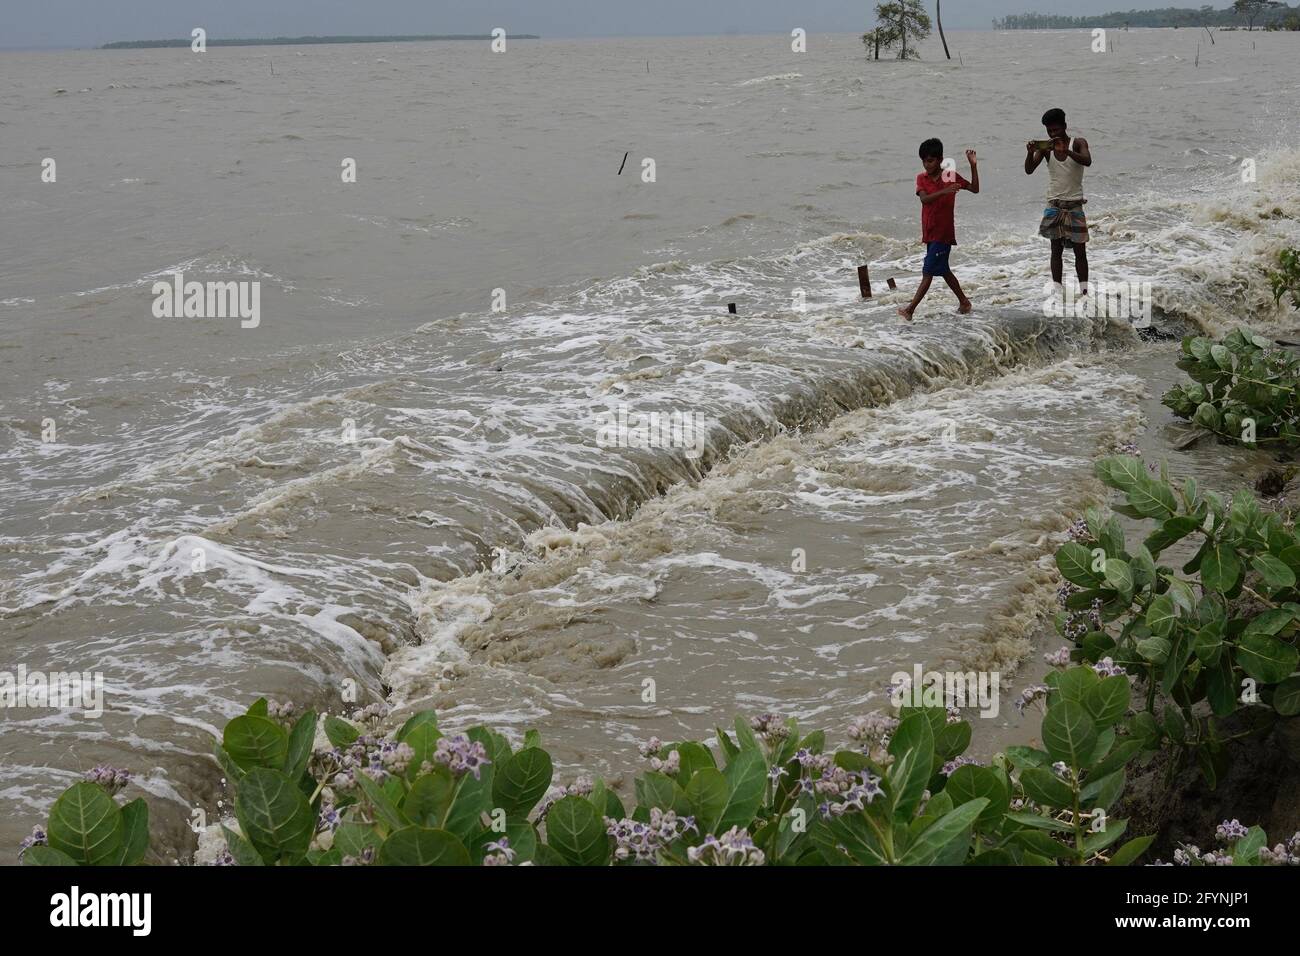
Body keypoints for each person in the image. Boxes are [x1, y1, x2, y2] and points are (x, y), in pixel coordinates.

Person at [898, 138, 979, 320]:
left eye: (931, 160)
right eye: (924, 161)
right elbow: (924, 199)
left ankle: (910, 310)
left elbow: (974, 189)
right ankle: (964, 302)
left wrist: (973, 166)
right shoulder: (922, 178)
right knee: (943, 270)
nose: (927, 165)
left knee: (928, 272)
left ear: (940, 159)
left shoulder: (949, 175)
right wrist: (945, 191)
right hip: (930, 233)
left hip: (943, 234)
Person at [1025, 108, 1092, 295]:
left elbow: (1087, 161)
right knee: (1056, 250)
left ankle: (1084, 292)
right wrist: (1030, 153)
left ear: (1064, 126)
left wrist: (1068, 152)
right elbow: (1029, 170)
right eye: (1049, 131)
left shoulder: (1078, 143)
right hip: (1054, 205)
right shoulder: (1047, 147)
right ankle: (1057, 290)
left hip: (1075, 206)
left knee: (1080, 252)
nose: (1053, 134)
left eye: (1055, 130)